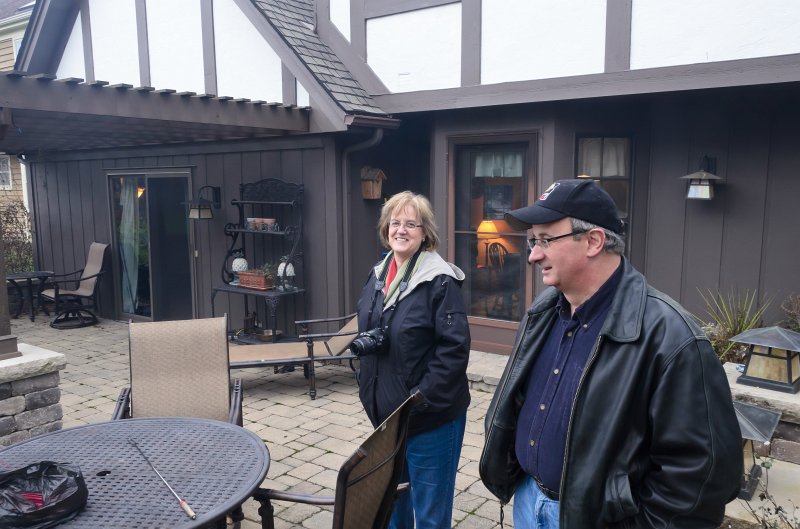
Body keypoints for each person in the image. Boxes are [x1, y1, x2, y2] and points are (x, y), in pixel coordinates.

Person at [479, 179, 742, 529]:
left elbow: (700, 480)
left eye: (544, 240)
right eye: (531, 241)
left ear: (593, 241)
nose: (533, 254)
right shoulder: (542, 312)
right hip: (528, 500)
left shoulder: (672, 338)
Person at [355, 190, 471, 529]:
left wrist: (416, 402)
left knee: (431, 516)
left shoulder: (439, 281)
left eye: (410, 224)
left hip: (429, 420)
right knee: (393, 506)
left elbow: (454, 351)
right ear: (385, 228)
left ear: (425, 233)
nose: (401, 230)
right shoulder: (379, 274)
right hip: (386, 419)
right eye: (395, 222)